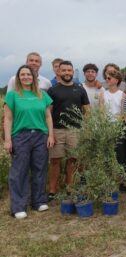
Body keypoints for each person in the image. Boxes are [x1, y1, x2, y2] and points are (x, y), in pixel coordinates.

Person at [3, 65, 54, 219]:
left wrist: (50, 135)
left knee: (40, 169)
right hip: (20, 136)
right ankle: (18, 206)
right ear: (18, 78)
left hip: (40, 136)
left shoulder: (42, 95)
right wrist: (7, 139)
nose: (26, 77)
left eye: (28, 74)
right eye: (22, 74)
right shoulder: (12, 95)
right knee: (19, 171)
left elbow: (47, 117)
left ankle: (38, 201)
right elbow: (8, 118)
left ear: (33, 77)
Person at [47, 61, 90, 200]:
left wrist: (87, 128)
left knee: (73, 159)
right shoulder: (53, 90)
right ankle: (53, 190)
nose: (66, 73)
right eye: (63, 70)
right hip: (57, 130)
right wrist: (50, 133)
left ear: (72, 72)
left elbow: (87, 111)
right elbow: (48, 113)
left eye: (69, 70)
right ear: (58, 72)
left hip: (75, 130)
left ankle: (70, 187)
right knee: (55, 161)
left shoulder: (80, 89)